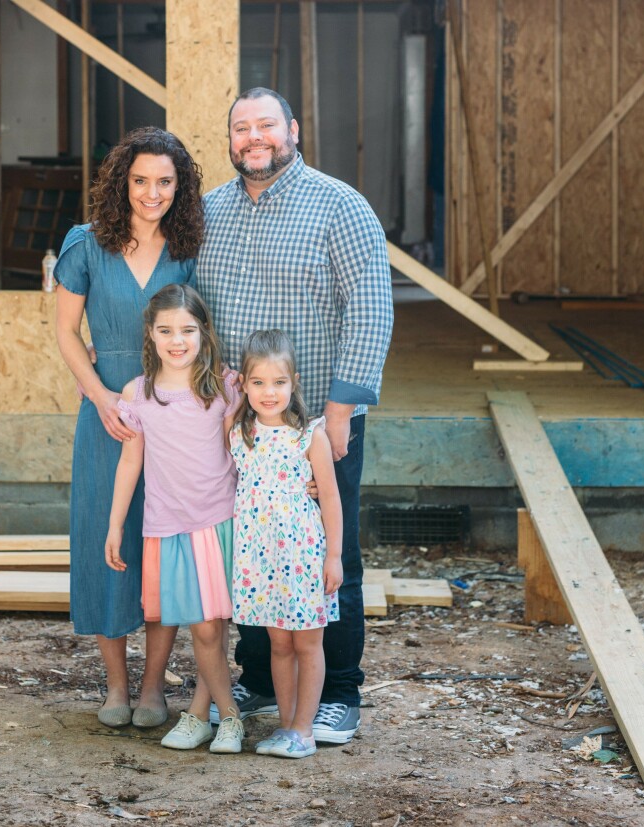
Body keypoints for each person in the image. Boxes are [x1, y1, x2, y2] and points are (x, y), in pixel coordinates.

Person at [196, 87, 394, 744]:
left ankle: (338, 690)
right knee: (251, 546)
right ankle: (257, 675)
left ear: (294, 130)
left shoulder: (341, 207)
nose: (254, 138)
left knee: (330, 554)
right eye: (241, 128)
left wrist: (339, 415)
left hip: (315, 425)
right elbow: (193, 315)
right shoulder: (210, 214)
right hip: (242, 430)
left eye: (266, 125)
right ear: (230, 140)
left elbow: (369, 311)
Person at [54, 127, 203, 730]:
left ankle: (152, 689)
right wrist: (102, 399)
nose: (151, 192)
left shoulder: (191, 245)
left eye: (165, 182)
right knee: (104, 543)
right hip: (108, 416)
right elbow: (65, 333)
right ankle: (115, 686)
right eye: (140, 180)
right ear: (122, 181)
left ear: (180, 187)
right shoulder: (86, 244)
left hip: (176, 420)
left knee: (163, 547)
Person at [105, 284, 245, 754]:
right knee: (200, 624)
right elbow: (131, 463)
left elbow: (248, 448)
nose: (177, 340)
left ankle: (223, 717)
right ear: (150, 333)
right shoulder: (139, 393)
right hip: (167, 525)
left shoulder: (225, 387)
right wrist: (115, 523)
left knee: (210, 627)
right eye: (166, 330)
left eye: (187, 329)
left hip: (217, 519)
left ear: (203, 332)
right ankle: (204, 715)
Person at [230, 330, 343, 758]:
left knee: (307, 642)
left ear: (293, 382)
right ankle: (285, 726)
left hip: (302, 555)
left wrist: (334, 556)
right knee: (278, 643)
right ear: (243, 383)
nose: (269, 391)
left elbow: (330, 496)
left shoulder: (309, 435)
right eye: (258, 382)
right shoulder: (240, 433)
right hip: (260, 558)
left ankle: (305, 729)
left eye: (278, 382)